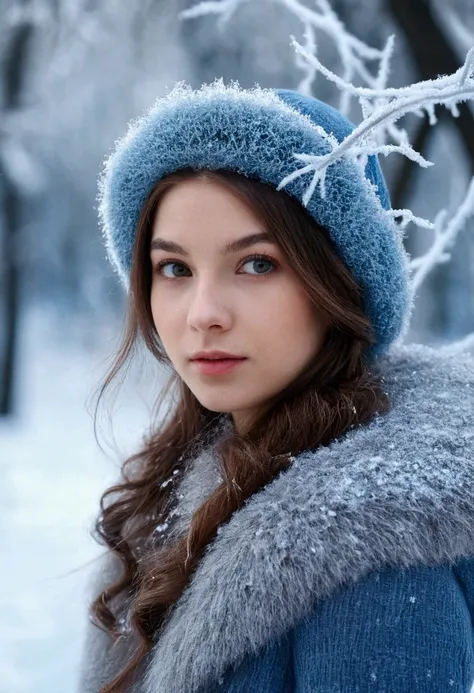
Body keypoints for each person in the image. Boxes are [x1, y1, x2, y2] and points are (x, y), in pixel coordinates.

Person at [77, 80, 474, 693]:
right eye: (175, 268)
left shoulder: (372, 551)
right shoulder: (174, 487)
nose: (203, 312)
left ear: (338, 286)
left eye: (257, 263)